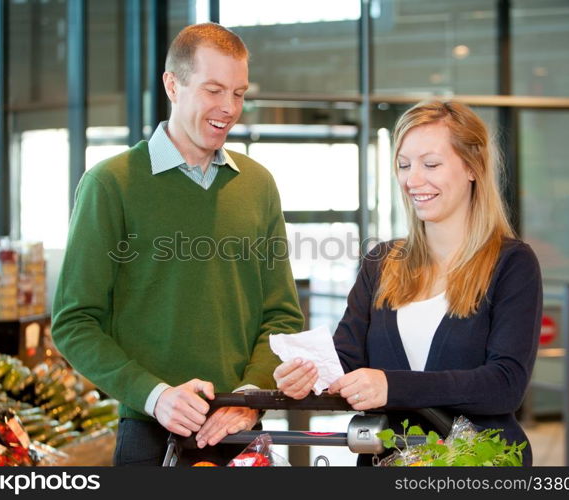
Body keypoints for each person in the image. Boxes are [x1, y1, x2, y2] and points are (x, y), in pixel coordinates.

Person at [52, 23, 304, 466]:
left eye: (239, 93)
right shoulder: (110, 185)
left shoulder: (258, 185)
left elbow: (281, 316)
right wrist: (155, 396)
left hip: (242, 432)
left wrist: (249, 396)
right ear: (173, 84)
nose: (229, 108)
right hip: (149, 435)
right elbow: (75, 323)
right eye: (214, 90)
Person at [274, 100, 542, 465]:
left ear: (473, 167)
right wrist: (307, 374)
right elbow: (346, 360)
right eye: (404, 165)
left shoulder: (511, 263)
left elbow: (505, 385)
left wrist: (391, 386)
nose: (413, 179)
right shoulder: (381, 262)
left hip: (478, 463)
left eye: (430, 164)